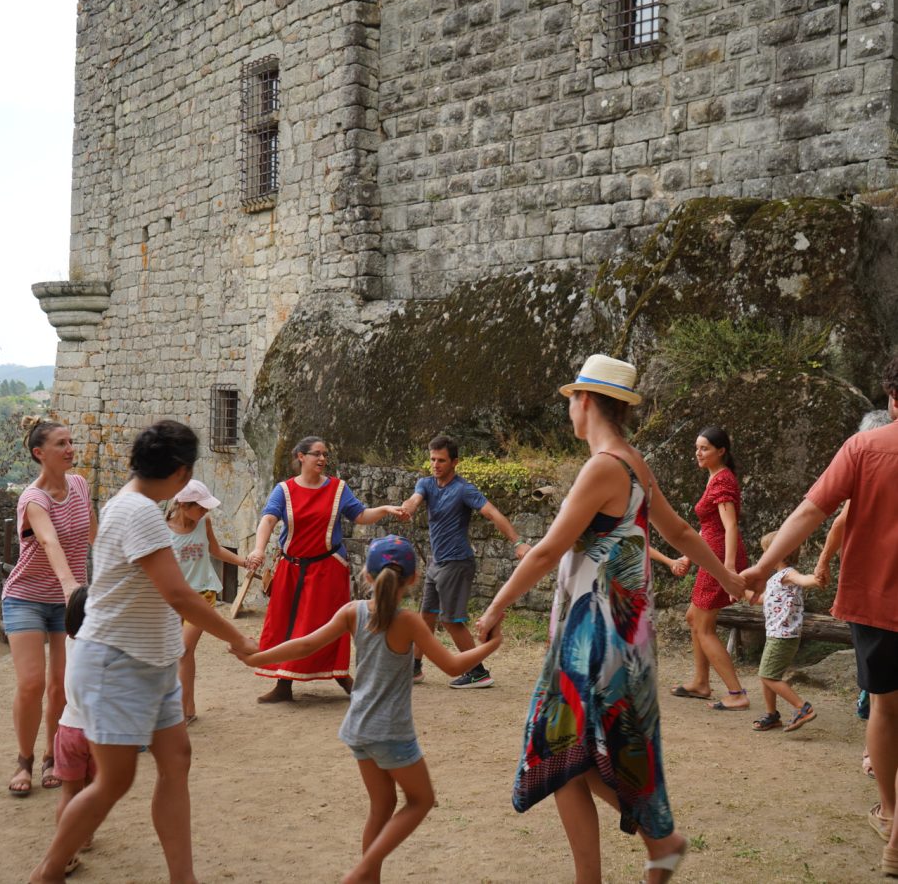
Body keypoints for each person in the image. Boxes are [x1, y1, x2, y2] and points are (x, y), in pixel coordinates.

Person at [475, 354, 745, 884]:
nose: (569, 411)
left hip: (595, 632)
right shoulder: (632, 461)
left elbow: (549, 549)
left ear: (585, 401)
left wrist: (494, 606)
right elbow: (683, 536)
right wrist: (729, 577)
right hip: (622, 631)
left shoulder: (602, 466)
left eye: (572, 400)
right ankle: (638, 854)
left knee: (563, 747)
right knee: (574, 753)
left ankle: (658, 840)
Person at [28, 420, 258, 884]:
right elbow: (179, 595)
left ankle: (183, 878)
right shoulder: (138, 513)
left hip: (149, 662)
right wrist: (236, 638)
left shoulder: (135, 506)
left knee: (175, 762)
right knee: (115, 781)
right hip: (116, 663)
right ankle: (47, 873)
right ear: (179, 473)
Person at [234, 535, 503, 883]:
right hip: (391, 732)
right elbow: (452, 666)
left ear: (366, 575)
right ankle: (360, 872)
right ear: (413, 579)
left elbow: (305, 645)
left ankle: (367, 878)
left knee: (382, 807)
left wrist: (257, 655)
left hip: (358, 729)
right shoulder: (409, 622)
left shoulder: (353, 612)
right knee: (420, 801)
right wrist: (492, 645)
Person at [742, 356, 898, 878]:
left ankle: (893, 816)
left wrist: (763, 567)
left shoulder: (864, 447)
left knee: (886, 709)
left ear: (892, 397)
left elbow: (811, 511)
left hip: (877, 603)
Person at [245, 435, 407, 703]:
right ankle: (284, 683)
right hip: (292, 568)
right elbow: (269, 519)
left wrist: (385, 509)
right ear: (301, 457)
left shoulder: (337, 488)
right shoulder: (283, 490)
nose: (322, 459)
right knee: (287, 624)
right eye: (316, 454)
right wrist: (258, 549)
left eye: (324, 455)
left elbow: (360, 515)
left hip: (327, 568)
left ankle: (342, 676)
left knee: (331, 624)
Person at [3, 416, 96, 797]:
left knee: (61, 687)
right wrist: (70, 585)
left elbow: (93, 534)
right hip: (26, 596)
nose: (70, 448)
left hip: (67, 603)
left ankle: (50, 756)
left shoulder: (79, 484)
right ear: (40, 453)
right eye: (61, 444)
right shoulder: (33, 498)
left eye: (71, 441)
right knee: (31, 683)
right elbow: (49, 542)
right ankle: (23, 760)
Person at [400, 434, 530, 688]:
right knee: (425, 616)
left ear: (454, 462)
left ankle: (477, 671)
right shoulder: (426, 484)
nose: (435, 465)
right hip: (437, 563)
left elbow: (493, 513)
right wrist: (408, 508)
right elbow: (414, 500)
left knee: (450, 620)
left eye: (441, 460)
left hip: (457, 563)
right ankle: (414, 668)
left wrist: (518, 542)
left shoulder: (464, 490)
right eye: (432, 459)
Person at [813, 409, 892, 776]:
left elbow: (831, 517)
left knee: (880, 700)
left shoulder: (865, 454)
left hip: (875, 596)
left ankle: (888, 805)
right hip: (876, 595)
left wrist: (823, 560)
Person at [669, 425, 750, 711]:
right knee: (695, 617)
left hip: (719, 558)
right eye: (697, 448)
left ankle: (737, 693)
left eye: (704, 448)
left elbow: (730, 526)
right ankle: (701, 683)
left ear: (721, 451)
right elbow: (709, 527)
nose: (698, 453)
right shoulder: (714, 478)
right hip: (710, 555)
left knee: (703, 626)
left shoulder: (723, 481)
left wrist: (726, 569)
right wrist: (689, 557)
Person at [167, 479, 248, 724]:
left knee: (182, 651)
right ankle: (188, 708)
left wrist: (243, 562)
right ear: (183, 504)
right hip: (172, 599)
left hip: (202, 595)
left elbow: (215, 550)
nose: (205, 511)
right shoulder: (162, 528)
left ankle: (179, 714)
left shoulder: (205, 522)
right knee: (183, 654)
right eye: (200, 507)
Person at [750, 533, 824, 733]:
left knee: (768, 675)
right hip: (776, 634)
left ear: (779, 553)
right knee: (767, 674)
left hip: (783, 636)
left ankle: (803, 708)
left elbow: (803, 579)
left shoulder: (788, 574)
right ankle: (771, 715)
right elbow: (760, 599)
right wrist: (734, 587)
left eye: (767, 552)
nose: (764, 556)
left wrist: (815, 579)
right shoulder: (775, 578)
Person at [52, 586, 95, 876]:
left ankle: (67, 848)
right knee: (93, 790)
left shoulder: (70, 642)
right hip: (95, 733)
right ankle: (79, 837)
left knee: (69, 793)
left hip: (68, 729)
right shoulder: (101, 649)